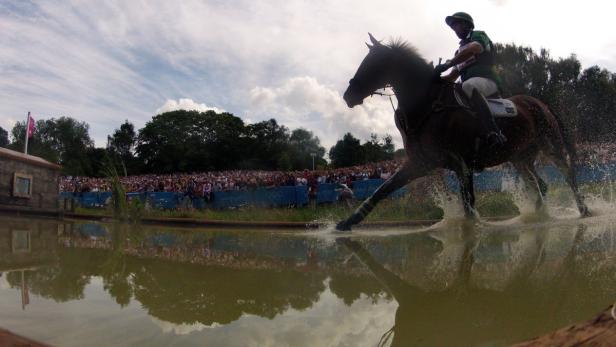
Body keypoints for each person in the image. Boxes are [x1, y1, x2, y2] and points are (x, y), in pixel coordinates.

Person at [434, 11, 507, 148]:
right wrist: (434, 79)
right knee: (451, 91)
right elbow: (452, 77)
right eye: (453, 27)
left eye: (456, 25)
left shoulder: (478, 35)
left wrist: (447, 64)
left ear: (466, 24)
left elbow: (474, 49)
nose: (454, 29)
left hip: (488, 81)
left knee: (466, 86)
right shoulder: (458, 51)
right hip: (471, 85)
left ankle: (494, 131)